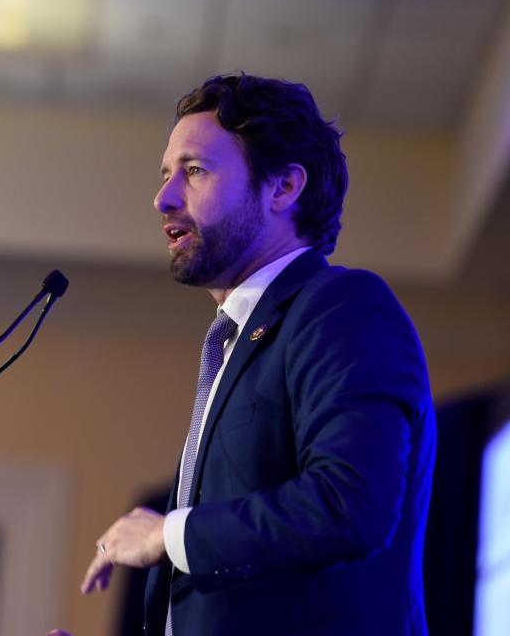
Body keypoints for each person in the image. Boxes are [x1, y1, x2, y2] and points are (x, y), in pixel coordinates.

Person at [55, 74, 437, 635]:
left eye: (194, 171)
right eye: (166, 174)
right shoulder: (239, 338)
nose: (162, 198)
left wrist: (170, 535)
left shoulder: (340, 307)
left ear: (283, 188)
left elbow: (349, 504)